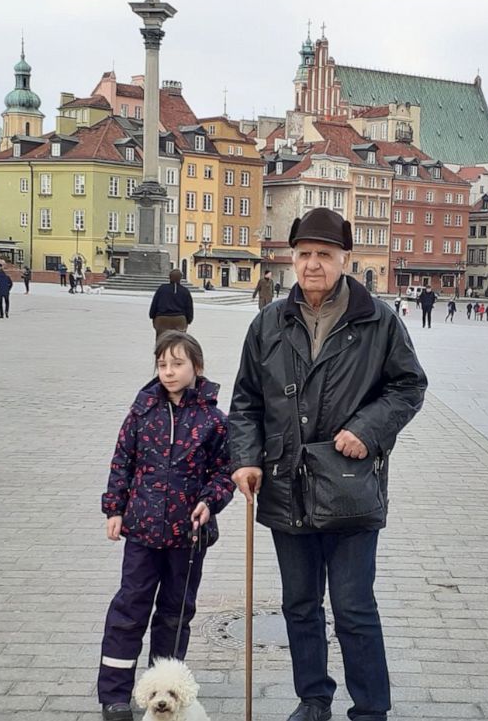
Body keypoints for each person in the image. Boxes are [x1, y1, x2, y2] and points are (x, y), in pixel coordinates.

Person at [229, 207, 427, 721]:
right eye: (304, 255)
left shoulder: (377, 321)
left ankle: (370, 709)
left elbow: (409, 386)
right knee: (299, 604)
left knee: (354, 607)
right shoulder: (268, 323)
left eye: (324, 254)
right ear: (291, 258)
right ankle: (314, 698)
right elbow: (246, 400)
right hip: (285, 484)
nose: (313, 264)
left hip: (349, 486)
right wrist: (246, 460)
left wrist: (369, 428)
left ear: (345, 258)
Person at [98, 331, 234, 721]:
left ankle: (165, 692)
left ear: (197, 367)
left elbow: (223, 472)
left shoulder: (213, 419)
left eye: (177, 364)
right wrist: (115, 509)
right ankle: (116, 695)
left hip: (187, 537)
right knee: (129, 608)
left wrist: (210, 501)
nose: (169, 372)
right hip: (141, 531)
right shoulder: (141, 413)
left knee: (175, 614)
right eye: (162, 364)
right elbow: (122, 461)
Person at [149, 269, 194, 337]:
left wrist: (152, 316)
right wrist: (189, 320)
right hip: (179, 319)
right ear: (180, 278)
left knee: (162, 340)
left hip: (162, 319)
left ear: (169, 277)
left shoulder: (162, 288)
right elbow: (189, 308)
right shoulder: (185, 291)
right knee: (178, 341)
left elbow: (154, 304)